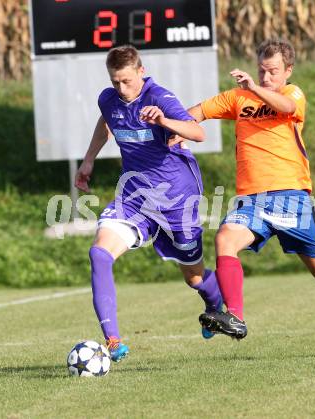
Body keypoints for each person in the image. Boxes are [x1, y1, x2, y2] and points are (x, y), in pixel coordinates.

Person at [180, 38, 315, 354]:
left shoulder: (292, 93)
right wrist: (174, 130)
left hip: (291, 198)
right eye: (261, 71)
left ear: (288, 70)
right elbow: (196, 113)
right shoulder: (238, 99)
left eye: (272, 71)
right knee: (224, 239)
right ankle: (235, 316)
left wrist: (256, 88)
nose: (265, 77)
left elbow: (286, 107)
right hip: (252, 200)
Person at [75, 45, 222, 362]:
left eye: (126, 81)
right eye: (115, 81)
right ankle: (113, 341)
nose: (121, 88)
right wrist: (88, 161)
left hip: (176, 198)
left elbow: (197, 133)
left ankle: (215, 307)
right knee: (99, 253)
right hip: (134, 197)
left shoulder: (160, 97)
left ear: (141, 71)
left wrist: (166, 121)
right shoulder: (109, 99)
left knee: (194, 277)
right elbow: (106, 122)